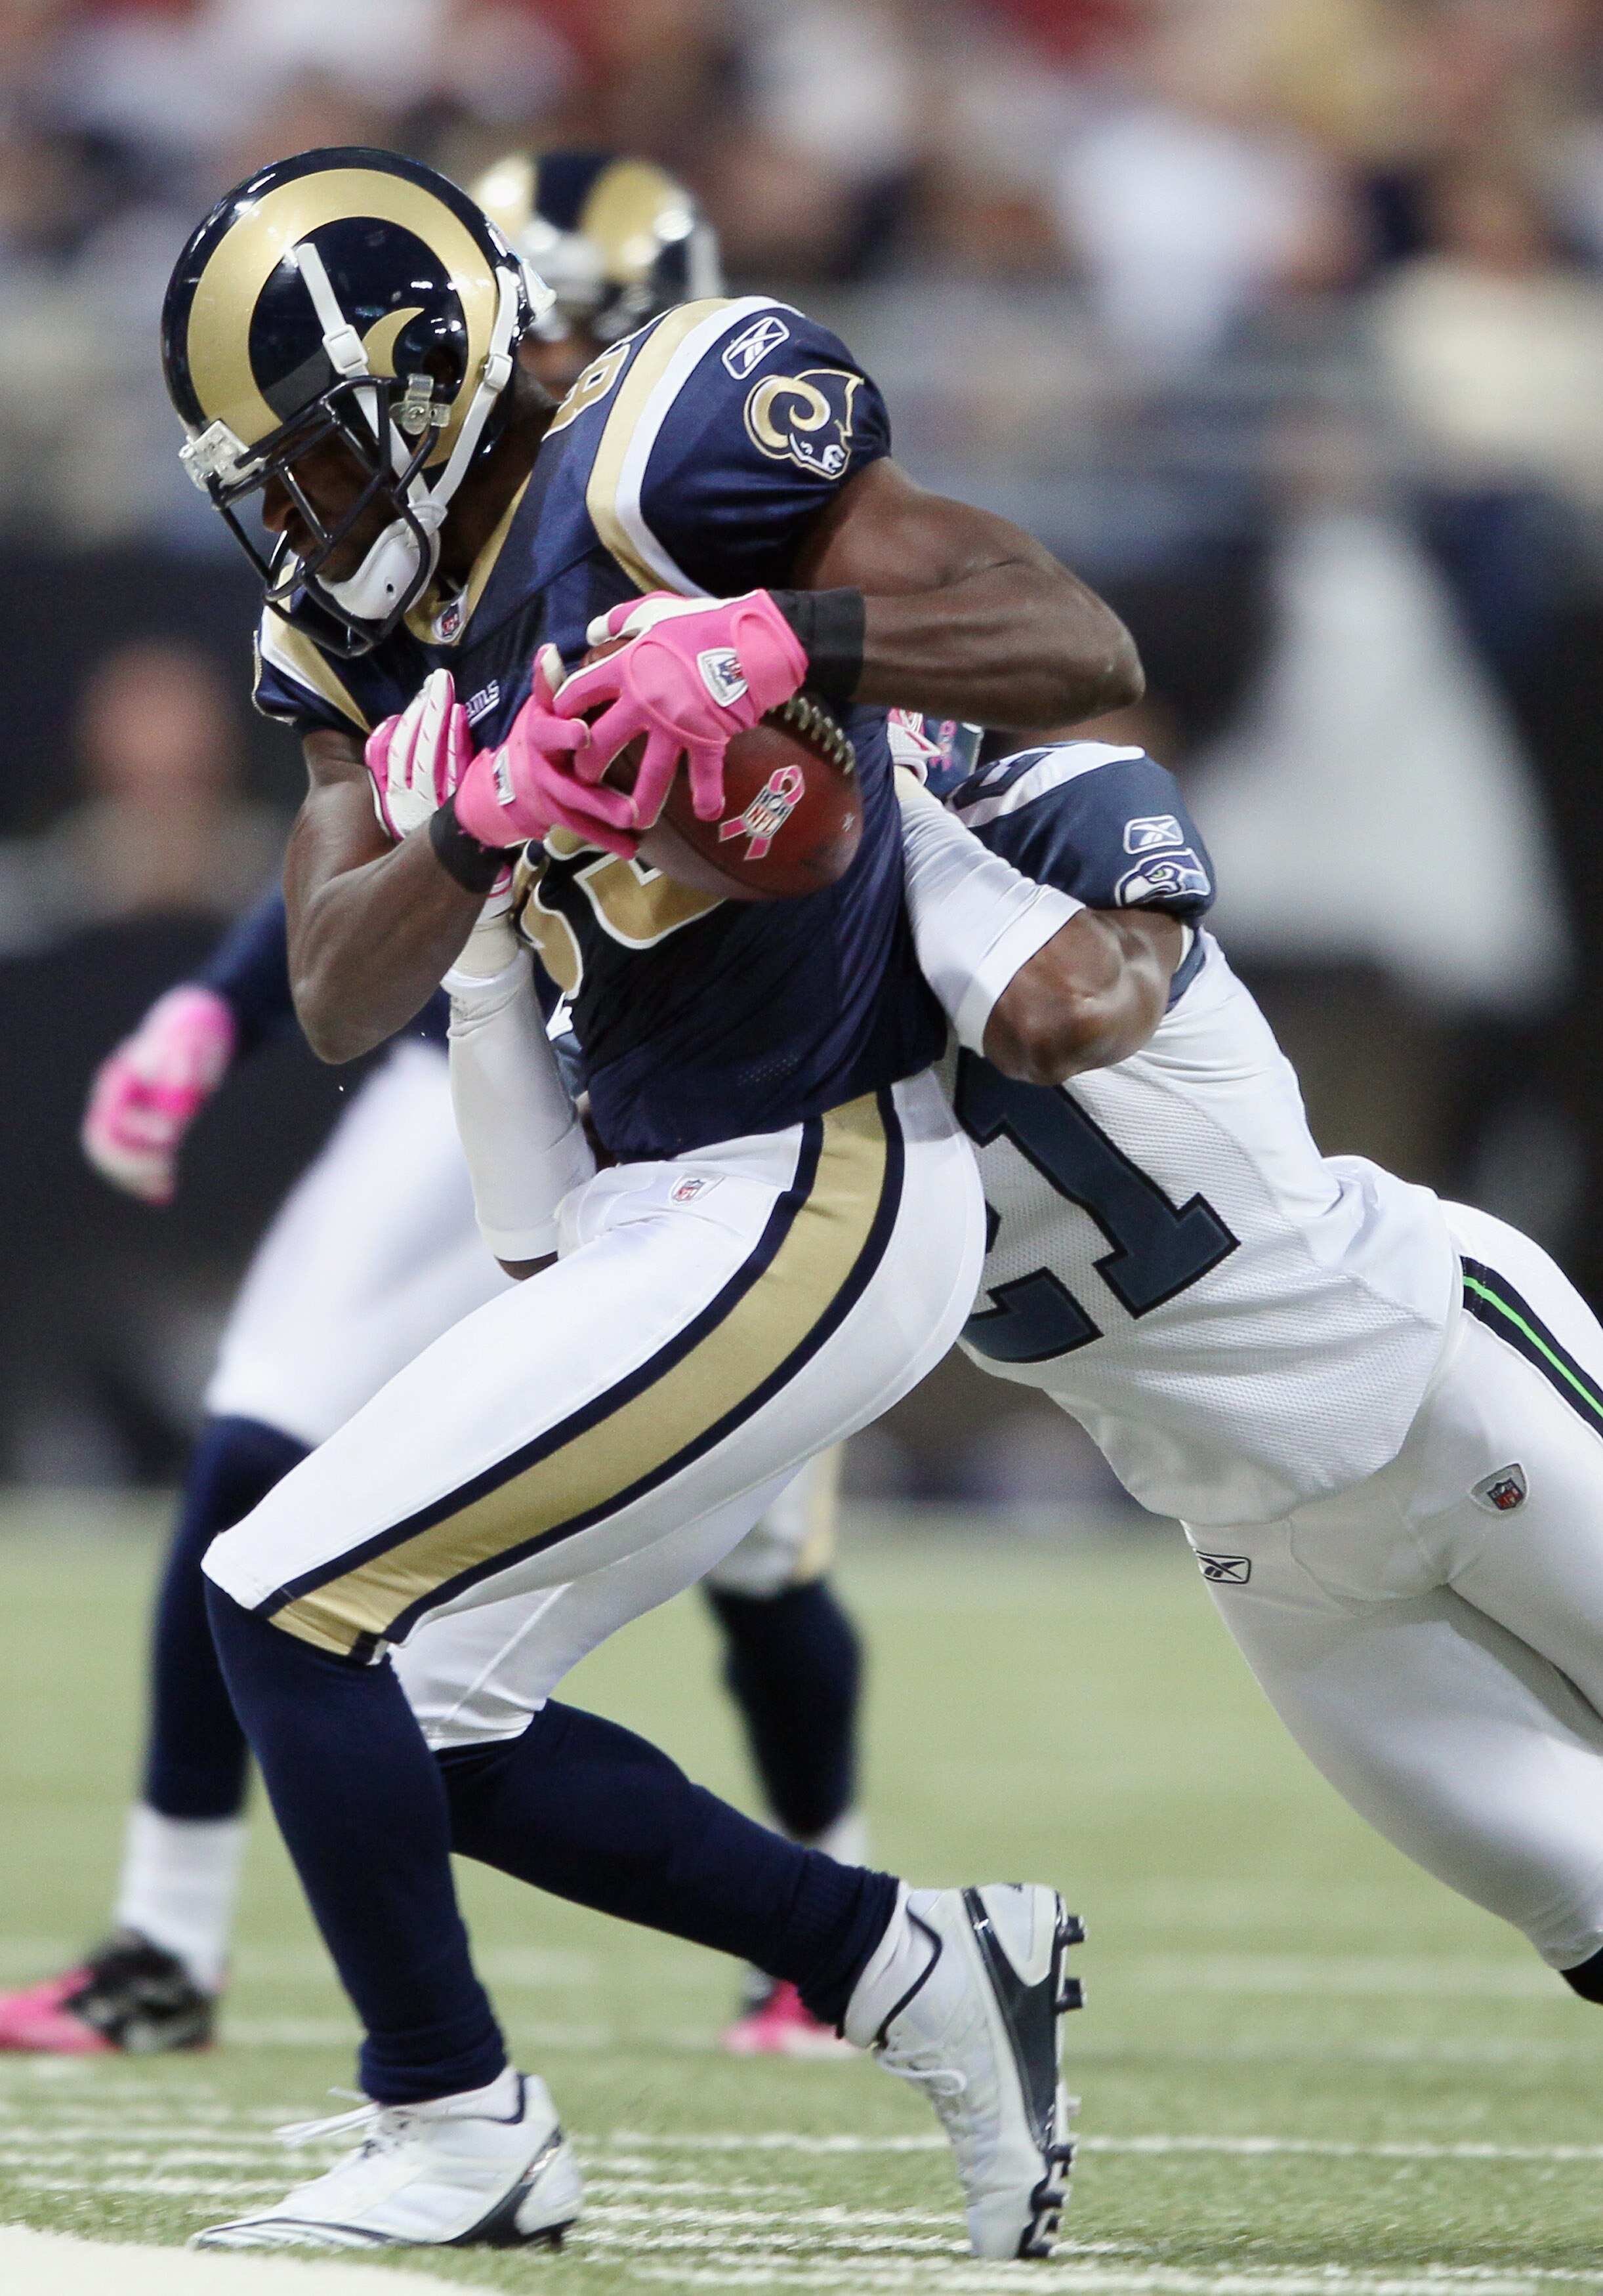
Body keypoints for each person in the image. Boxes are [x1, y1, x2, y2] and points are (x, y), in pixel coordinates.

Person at [144, 142, 1137, 2257]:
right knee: (425, 1708)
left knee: (275, 1588)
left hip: (818, 1170)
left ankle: (453, 2120)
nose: (296, 517)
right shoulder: (346, 628)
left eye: (312, 455)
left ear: (427, 379)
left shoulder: (668, 433)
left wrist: (784, 637)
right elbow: (333, 991)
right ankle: (911, 1959)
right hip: (655, 1204)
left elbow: (1071, 638)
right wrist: (476, 822)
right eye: (265, 483)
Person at [0, 152, 868, 2067]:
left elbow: (889, 726)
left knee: (757, 1540)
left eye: (585, 325)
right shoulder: (360, 567)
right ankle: (167, 1939)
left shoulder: (666, 479)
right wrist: (220, 1011)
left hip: (728, 1073)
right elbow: (364, 851)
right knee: (259, 1445)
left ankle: (832, 1917)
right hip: (475, 1032)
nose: (562, 358)